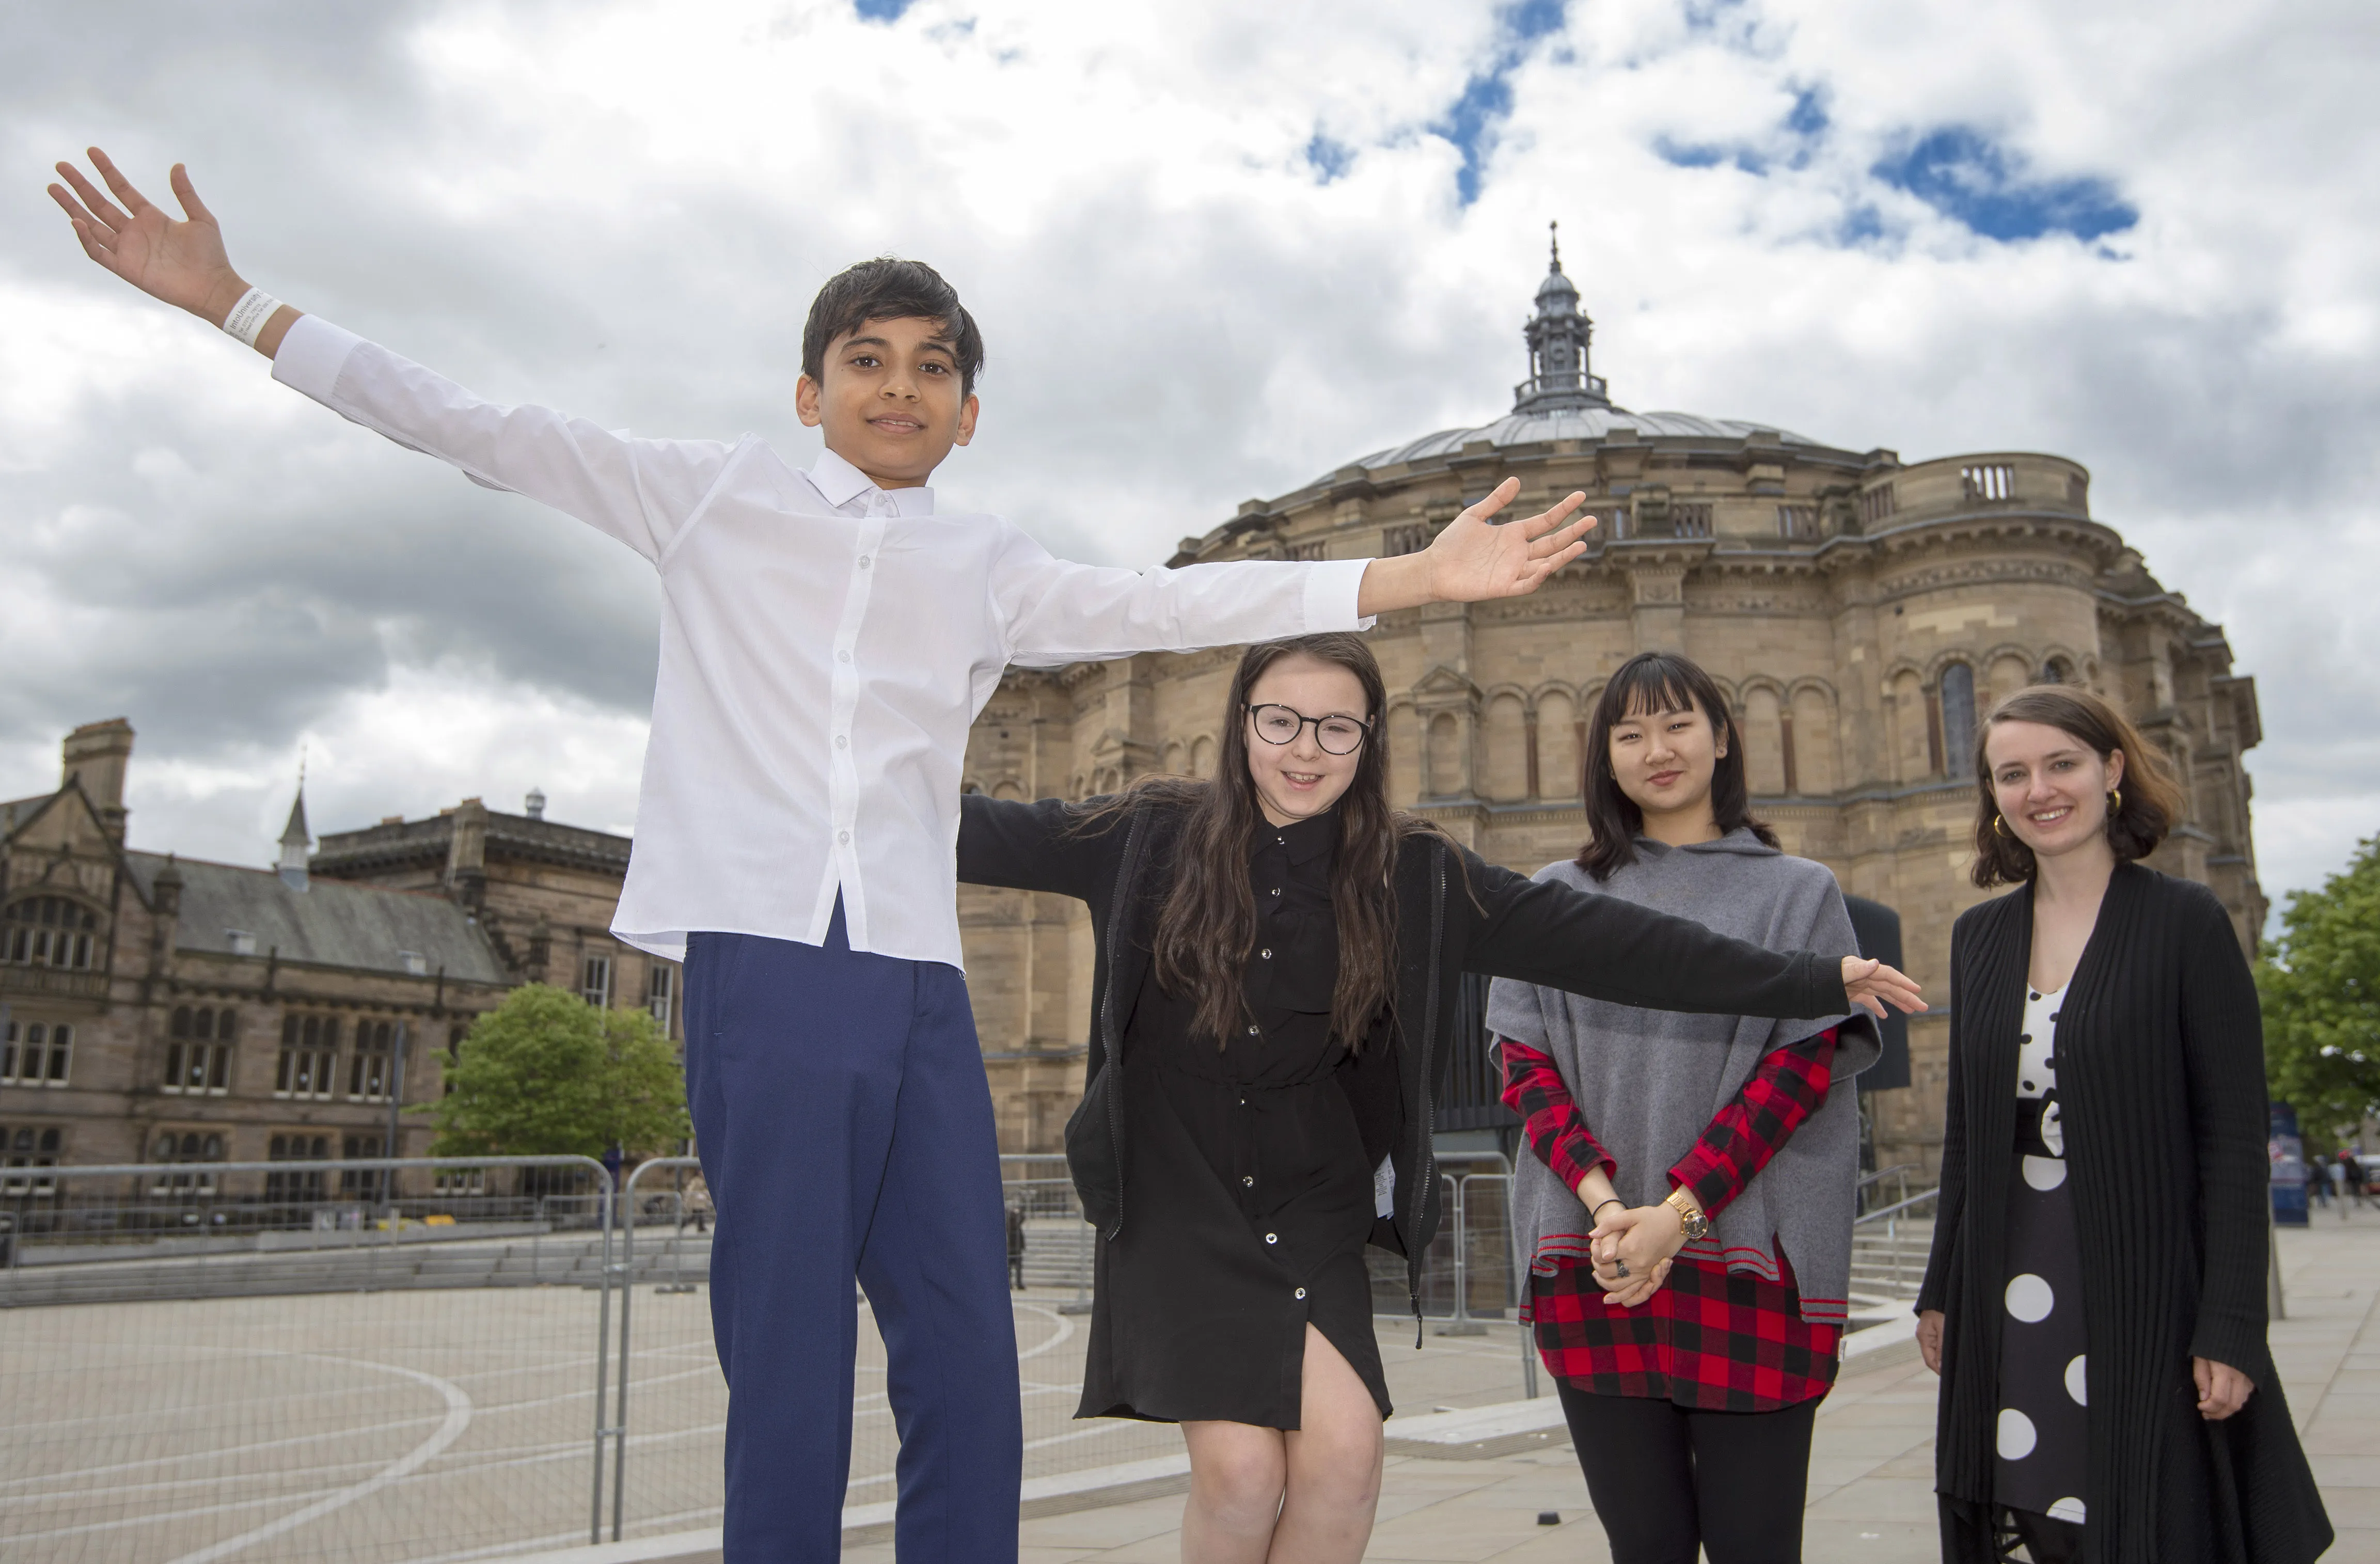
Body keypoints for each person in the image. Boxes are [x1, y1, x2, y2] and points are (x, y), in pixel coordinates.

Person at [46, 151, 1607, 1561]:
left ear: (969, 412)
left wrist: (1412, 577)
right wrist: (235, 302)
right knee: (785, 1353)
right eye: (866, 360)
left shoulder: (987, 566)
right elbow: (471, 423)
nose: (900, 386)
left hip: (921, 986)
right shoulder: (709, 495)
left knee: (966, 1357)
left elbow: (1172, 603)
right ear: (810, 390)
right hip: (765, 963)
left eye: (934, 368)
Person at [956, 634, 1925, 1564]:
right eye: (1280, 720)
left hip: (1306, 1193)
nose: (1306, 748)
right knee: (1243, 1473)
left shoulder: (1409, 869)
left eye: (1338, 726)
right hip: (1178, 1191)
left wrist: (1806, 979)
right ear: (1238, 723)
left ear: (1372, 737)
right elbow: (962, 823)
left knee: (1345, 1460)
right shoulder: (1144, 831)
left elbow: (1609, 944)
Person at [1915, 685, 2330, 1564]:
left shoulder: (2182, 921)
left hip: (2140, 1282)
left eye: (2059, 763)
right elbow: (1966, 1131)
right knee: (2031, 1505)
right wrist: (1940, 1286)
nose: (2038, 789)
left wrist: (2229, 1322)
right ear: (1991, 795)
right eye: (2011, 773)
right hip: (2007, 1279)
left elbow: (2228, 1141)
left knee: (2142, 1511)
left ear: (2109, 770)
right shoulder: (1978, 936)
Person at [1488, 651, 1879, 1564]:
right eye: (1627, 733)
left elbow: (1796, 1076)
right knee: (1646, 1544)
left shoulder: (1798, 892)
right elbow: (1525, 1069)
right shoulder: (1552, 896)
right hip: (1598, 1257)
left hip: (1750, 1263)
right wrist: (1609, 1210)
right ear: (1601, 755)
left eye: (1675, 725)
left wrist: (1675, 1214)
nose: (1653, 749)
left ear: (1722, 738)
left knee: (1755, 1544)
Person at [1006, 1203, 1029, 1291]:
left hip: (1017, 1248)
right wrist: (1014, 1213)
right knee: (1010, 1268)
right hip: (1011, 1247)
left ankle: (1018, 1283)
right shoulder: (1010, 1224)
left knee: (1018, 1267)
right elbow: (1017, 1221)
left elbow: (1023, 1217)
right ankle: (1010, 1283)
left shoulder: (1017, 1224)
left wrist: (1018, 1212)